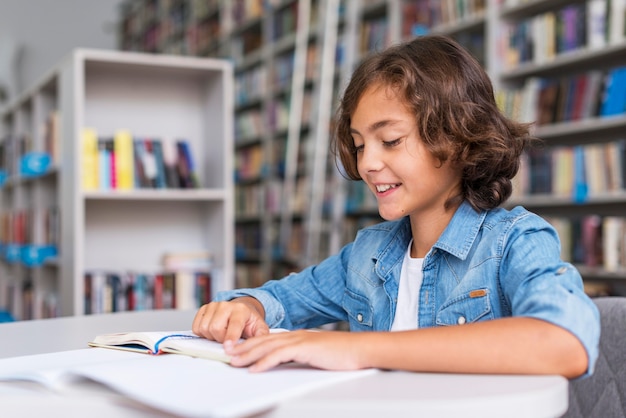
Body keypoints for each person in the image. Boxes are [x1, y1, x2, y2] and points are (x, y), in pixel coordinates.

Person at [192, 34, 600, 377]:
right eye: (358, 144)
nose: (367, 163)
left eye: (390, 140)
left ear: (458, 138)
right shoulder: (367, 255)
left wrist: (361, 348)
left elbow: (565, 342)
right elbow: (281, 299)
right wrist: (244, 307)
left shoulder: (514, 242)